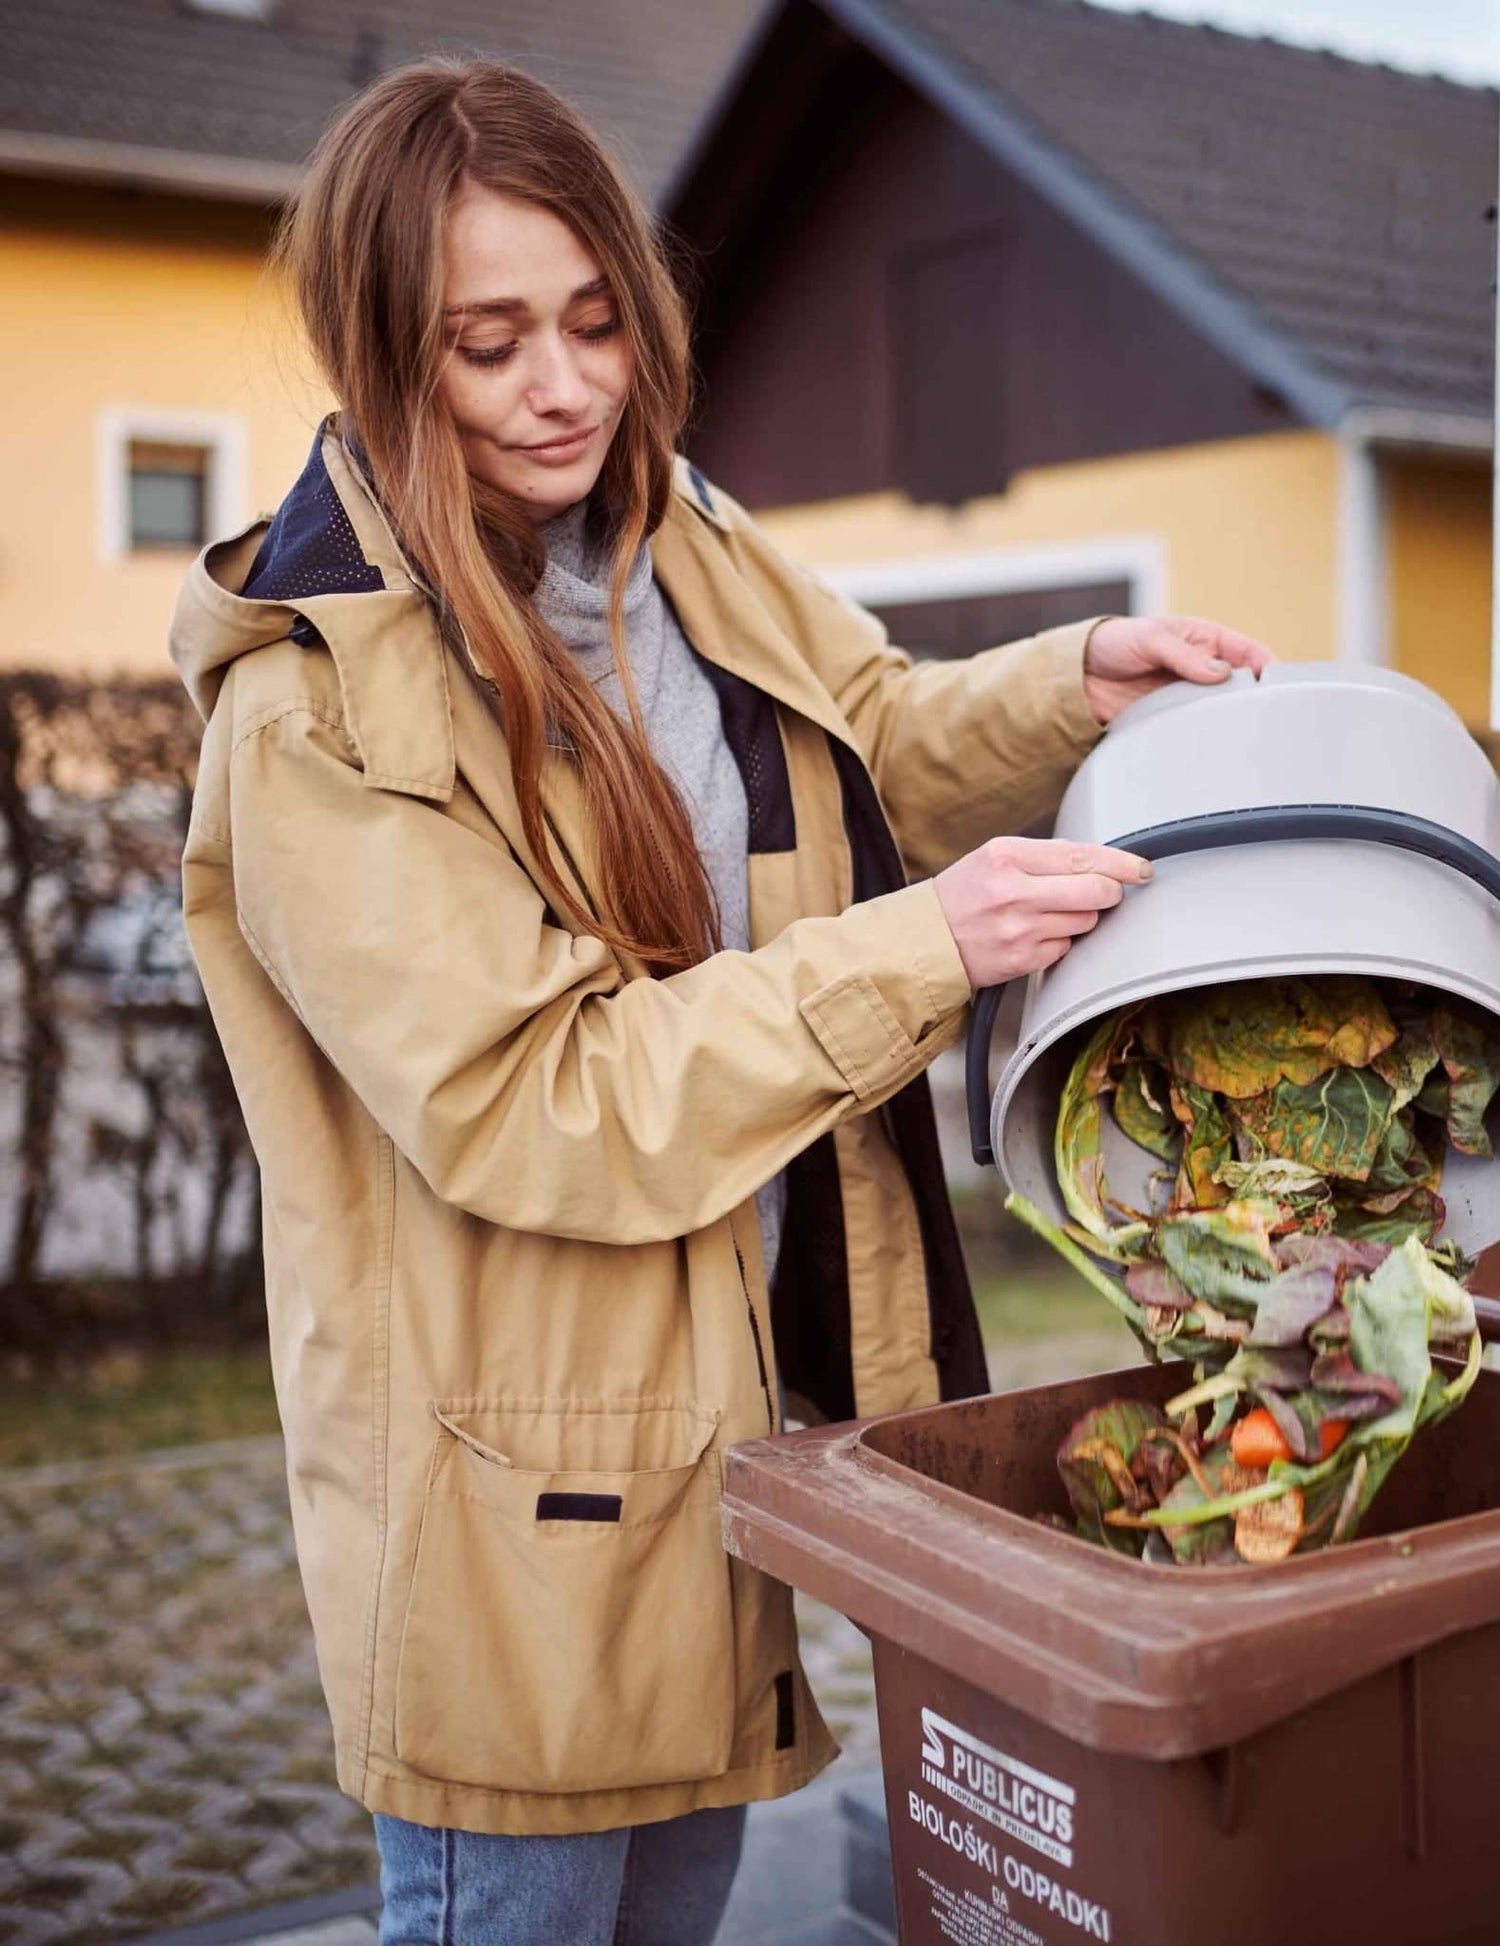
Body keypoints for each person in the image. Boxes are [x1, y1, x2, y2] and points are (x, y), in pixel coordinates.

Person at [170, 57, 1270, 1946]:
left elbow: (873, 741)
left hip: (725, 1424)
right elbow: (538, 1098)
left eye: (595, 320)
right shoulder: (316, 708)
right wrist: (931, 945)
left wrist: (1078, 677)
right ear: (377, 351)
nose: (564, 386)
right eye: (488, 342)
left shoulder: (677, 531)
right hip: (508, 1498)